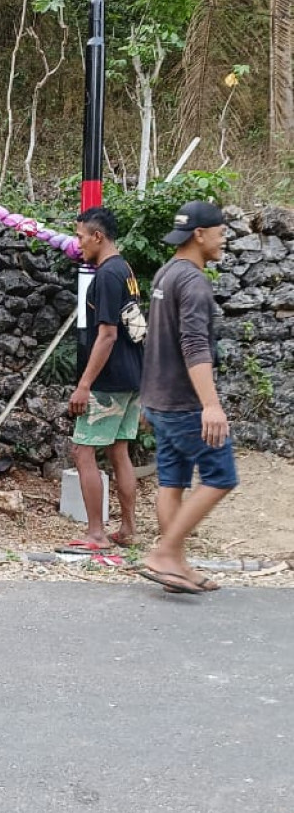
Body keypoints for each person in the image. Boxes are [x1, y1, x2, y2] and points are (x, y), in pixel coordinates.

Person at [138, 200, 237, 595]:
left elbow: (154, 340)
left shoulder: (166, 274)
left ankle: (175, 565)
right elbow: (194, 344)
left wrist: (147, 397)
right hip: (184, 404)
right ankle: (165, 552)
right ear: (199, 234)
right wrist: (211, 405)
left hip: (160, 401)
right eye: (220, 231)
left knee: (172, 481)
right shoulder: (194, 281)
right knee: (221, 477)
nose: (223, 237)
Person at [66, 206, 145, 550]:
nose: (77, 243)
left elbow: (108, 335)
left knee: (83, 452)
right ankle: (127, 529)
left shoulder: (106, 276)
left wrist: (84, 384)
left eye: (81, 237)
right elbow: (138, 328)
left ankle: (96, 533)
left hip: (108, 381)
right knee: (119, 451)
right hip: (132, 376)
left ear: (98, 236)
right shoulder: (124, 269)